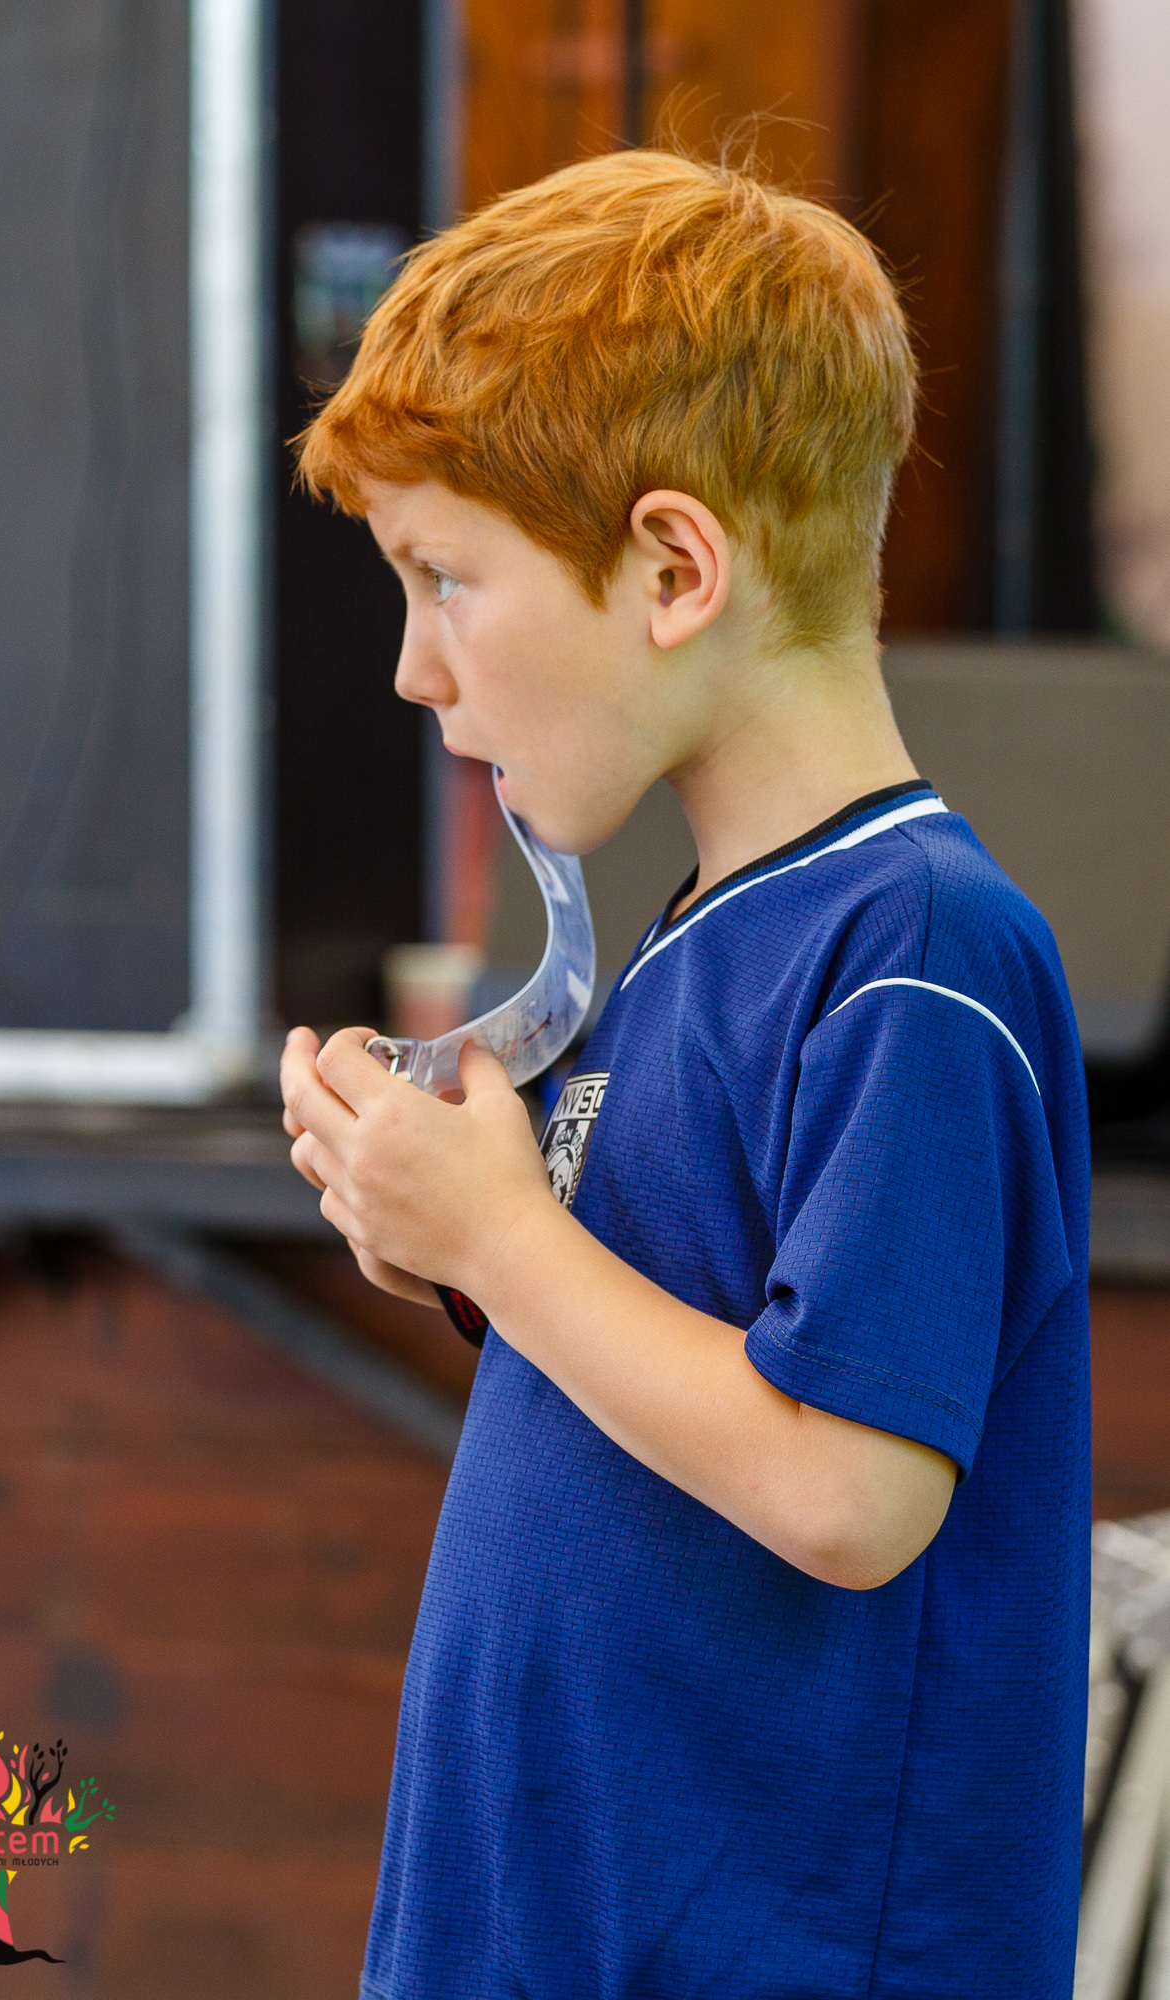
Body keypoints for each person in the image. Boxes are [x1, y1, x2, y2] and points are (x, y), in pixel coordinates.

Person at [281, 149, 1090, 2000]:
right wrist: (446, 1237)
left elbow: (846, 1492)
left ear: (670, 569)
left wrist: (505, 1245)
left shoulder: (919, 954)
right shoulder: (696, 937)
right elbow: (671, 1348)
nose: (413, 669)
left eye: (444, 579)